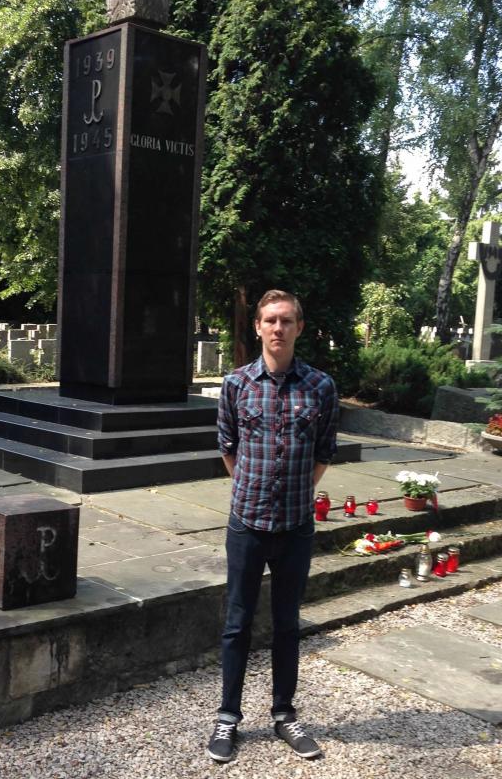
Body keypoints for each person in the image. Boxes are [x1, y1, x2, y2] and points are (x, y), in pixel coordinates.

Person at [207, 289, 338, 763]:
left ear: (299, 327)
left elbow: (324, 451)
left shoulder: (319, 387)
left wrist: (296, 492)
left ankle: (284, 714)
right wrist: (250, 488)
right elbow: (227, 445)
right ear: (258, 328)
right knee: (237, 623)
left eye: (287, 320)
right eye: (270, 320)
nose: (278, 328)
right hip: (247, 523)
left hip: (296, 526)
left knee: (287, 623)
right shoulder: (237, 384)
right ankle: (227, 718)